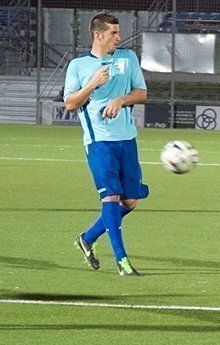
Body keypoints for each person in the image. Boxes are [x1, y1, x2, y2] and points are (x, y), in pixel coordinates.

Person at [64, 12, 148, 276]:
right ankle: (122, 261)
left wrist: (121, 100)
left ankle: (87, 238)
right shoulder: (78, 66)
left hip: (127, 139)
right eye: (113, 33)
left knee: (130, 201)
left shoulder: (127, 58)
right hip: (99, 141)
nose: (119, 37)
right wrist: (93, 84)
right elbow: (70, 103)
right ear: (98, 35)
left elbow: (141, 93)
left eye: (118, 32)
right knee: (110, 197)